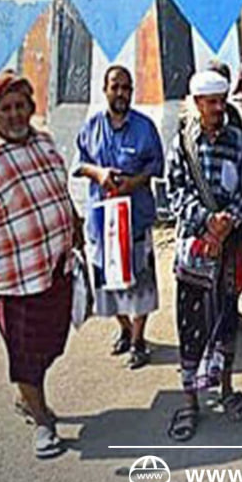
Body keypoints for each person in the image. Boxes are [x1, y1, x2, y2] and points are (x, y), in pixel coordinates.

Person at [0, 72, 80, 459]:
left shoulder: (44, 141)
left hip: (55, 268)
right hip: (15, 280)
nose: (15, 114)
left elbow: (60, 191)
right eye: (6, 108)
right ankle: (41, 422)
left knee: (52, 343)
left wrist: (76, 226)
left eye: (21, 105)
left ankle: (26, 395)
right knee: (25, 352)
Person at [165, 69, 242, 441]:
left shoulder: (239, 140)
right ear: (197, 104)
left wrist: (227, 222)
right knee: (191, 325)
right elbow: (175, 192)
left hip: (227, 249)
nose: (218, 108)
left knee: (226, 321)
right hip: (194, 250)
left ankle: (227, 389)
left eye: (221, 101)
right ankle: (190, 402)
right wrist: (206, 222)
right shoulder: (182, 143)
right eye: (211, 102)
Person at [73, 65, 164, 370]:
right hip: (103, 223)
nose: (121, 93)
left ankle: (139, 341)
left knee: (140, 282)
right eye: (116, 87)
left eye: (127, 88)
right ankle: (124, 328)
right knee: (108, 284)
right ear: (105, 89)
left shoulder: (144, 127)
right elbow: (79, 163)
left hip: (135, 219)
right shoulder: (91, 127)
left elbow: (156, 165)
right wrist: (99, 173)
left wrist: (133, 182)